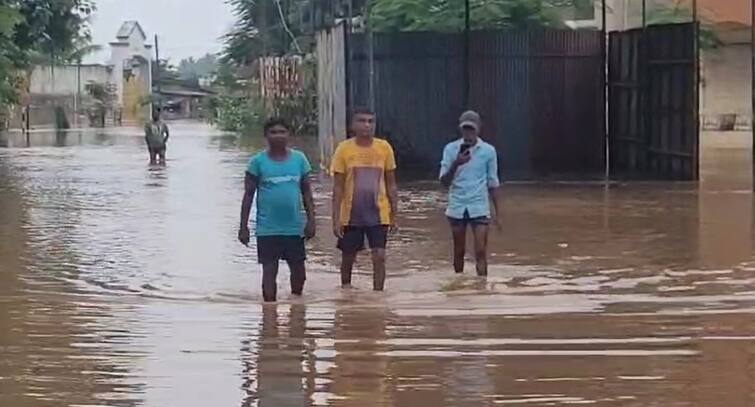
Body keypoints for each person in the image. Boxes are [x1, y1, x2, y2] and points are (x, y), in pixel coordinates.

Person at [238, 118, 316, 302]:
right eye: (273, 132)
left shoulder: (299, 160)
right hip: (267, 229)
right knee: (269, 272)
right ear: (266, 136)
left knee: (299, 273)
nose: (278, 136)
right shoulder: (257, 162)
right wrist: (243, 227)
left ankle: (297, 307)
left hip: (294, 227)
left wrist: (312, 221)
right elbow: (248, 196)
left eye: (282, 132)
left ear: (289, 135)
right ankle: (269, 312)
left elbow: (307, 193)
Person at [331, 107, 398, 291]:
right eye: (362, 121)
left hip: (379, 213)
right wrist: (336, 219)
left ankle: (378, 295)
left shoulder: (384, 148)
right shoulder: (343, 150)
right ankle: (345, 289)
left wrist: (394, 214)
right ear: (353, 125)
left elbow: (391, 184)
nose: (367, 125)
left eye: (371, 121)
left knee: (379, 255)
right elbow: (337, 188)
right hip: (351, 214)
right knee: (348, 256)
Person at [439, 110, 501, 276]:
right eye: (465, 129)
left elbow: (493, 182)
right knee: (458, 251)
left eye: (471, 129)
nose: (468, 133)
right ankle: (458, 286)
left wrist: (497, 213)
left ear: (478, 129)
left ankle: (481, 288)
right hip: (457, 205)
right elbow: (444, 182)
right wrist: (456, 163)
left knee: (481, 251)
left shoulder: (488, 151)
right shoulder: (450, 149)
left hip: (479, 206)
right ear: (460, 129)